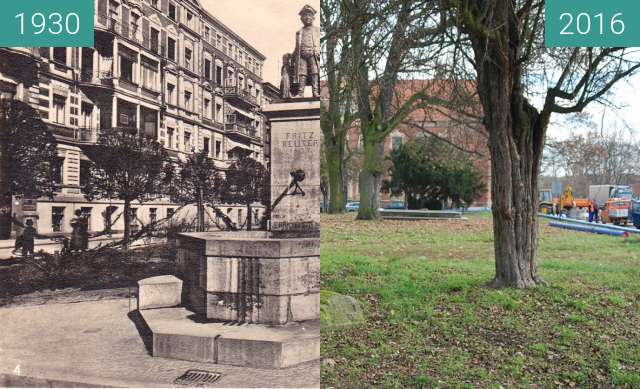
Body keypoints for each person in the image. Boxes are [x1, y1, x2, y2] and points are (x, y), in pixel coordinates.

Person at [292, 5, 320, 98]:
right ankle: (300, 93)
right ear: (302, 18)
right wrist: (292, 56)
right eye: (305, 15)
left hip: (313, 54)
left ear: (313, 18)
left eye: (309, 15)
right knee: (302, 73)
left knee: (314, 72)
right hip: (301, 55)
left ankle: (315, 92)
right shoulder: (299, 32)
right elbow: (297, 47)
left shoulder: (317, 30)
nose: (307, 17)